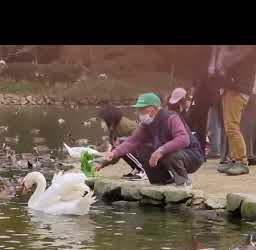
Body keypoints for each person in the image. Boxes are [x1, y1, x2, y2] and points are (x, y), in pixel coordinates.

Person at [95, 93, 204, 187]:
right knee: (143, 150)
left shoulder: (171, 118)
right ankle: (161, 181)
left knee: (169, 152)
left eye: (141, 110)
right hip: (170, 156)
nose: (138, 113)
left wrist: (160, 150)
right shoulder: (147, 125)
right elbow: (132, 142)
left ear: (151, 110)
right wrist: (114, 153)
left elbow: (183, 139)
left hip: (191, 157)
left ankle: (183, 182)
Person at [214, 45, 256, 175]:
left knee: (232, 127)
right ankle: (234, 159)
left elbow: (231, 65)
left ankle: (241, 162)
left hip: (237, 90)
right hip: (233, 89)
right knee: (229, 127)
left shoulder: (245, 50)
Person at [97, 104, 147, 180]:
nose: (101, 125)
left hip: (146, 150)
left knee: (122, 144)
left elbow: (138, 139)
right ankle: (137, 169)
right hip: (136, 149)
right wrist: (103, 163)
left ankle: (144, 170)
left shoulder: (126, 125)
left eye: (103, 121)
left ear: (110, 121)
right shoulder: (113, 132)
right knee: (119, 146)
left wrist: (122, 142)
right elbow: (115, 154)